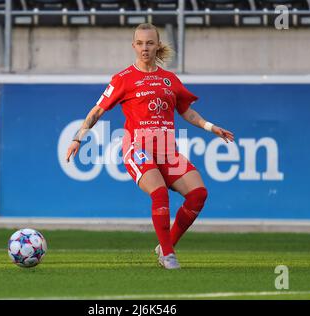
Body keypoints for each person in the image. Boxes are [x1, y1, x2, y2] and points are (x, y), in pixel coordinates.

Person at [66, 23, 234, 269]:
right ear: (134, 46)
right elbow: (98, 110)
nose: (145, 48)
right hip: (137, 148)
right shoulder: (123, 79)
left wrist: (211, 127)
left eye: (150, 43)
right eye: (140, 43)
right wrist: (77, 137)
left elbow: (186, 112)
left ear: (157, 46)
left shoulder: (170, 80)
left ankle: (165, 244)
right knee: (159, 193)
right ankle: (168, 255)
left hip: (167, 150)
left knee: (198, 195)